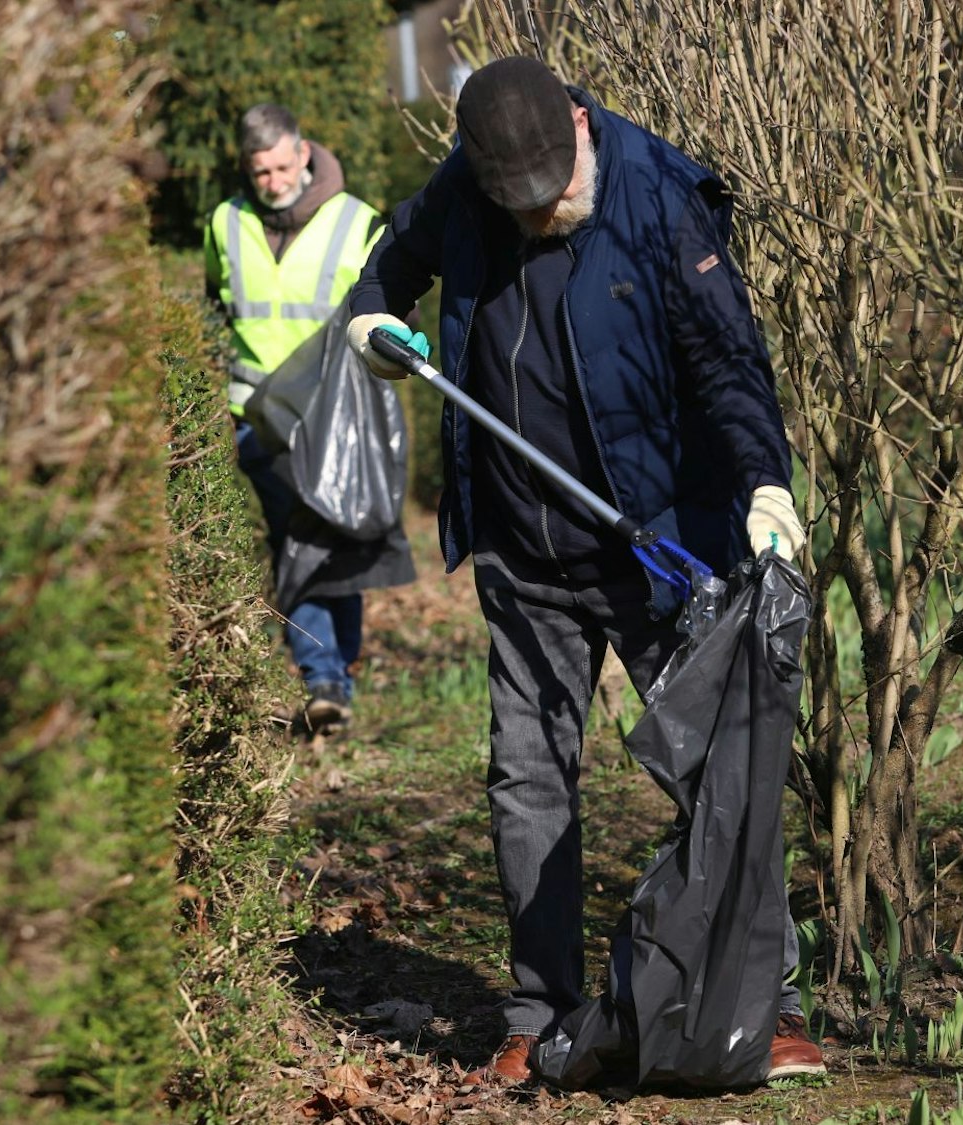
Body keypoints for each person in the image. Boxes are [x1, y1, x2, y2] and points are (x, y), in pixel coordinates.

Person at [342, 57, 820, 1083]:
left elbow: (729, 364)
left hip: (658, 544)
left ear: (576, 125)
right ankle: (537, 1014)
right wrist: (371, 321)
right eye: (516, 198)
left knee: (714, 774)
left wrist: (764, 488)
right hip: (522, 549)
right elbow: (390, 266)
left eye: (552, 189)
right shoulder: (465, 191)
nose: (539, 210)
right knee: (525, 781)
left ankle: (761, 1006)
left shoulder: (657, 196)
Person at [206, 103, 411, 734]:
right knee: (300, 538)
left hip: (329, 414)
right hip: (256, 415)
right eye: (257, 171)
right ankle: (328, 676)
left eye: (278, 166)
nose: (269, 181)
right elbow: (213, 305)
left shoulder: (355, 222)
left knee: (329, 536)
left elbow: (384, 308)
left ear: (303, 151)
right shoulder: (225, 221)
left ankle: (332, 673)